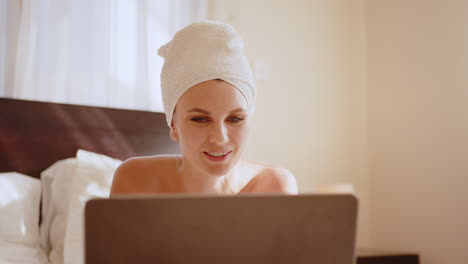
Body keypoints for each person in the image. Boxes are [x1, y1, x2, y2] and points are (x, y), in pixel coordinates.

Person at [110, 21, 297, 195]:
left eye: (235, 118)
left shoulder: (273, 186)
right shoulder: (137, 180)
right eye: (200, 119)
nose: (220, 138)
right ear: (173, 126)